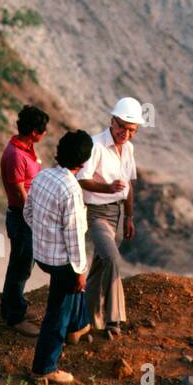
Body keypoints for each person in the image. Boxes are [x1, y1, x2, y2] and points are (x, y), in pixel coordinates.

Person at [24, 130, 94, 385]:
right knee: (56, 312)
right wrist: (80, 271)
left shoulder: (43, 176)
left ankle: (77, 326)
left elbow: (28, 211)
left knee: (69, 294)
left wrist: (44, 236)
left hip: (42, 254)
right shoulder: (71, 190)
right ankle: (44, 368)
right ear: (84, 162)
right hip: (61, 261)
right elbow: (75, 237)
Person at [77, 96, 142, 338]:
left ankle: (89, 318)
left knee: (100, 265)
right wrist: (107, 189)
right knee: (113, 258)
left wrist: (129, 216)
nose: (126, 133)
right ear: (112, 121)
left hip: (116, 213)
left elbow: (129, 184)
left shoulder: (129, 149)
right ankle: (114, 320)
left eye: (131, 130)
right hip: (96, 213)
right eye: (122, 127)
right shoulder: (95, 146)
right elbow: (81, 179)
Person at [0, 105, 49, 336]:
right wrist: (36, 216)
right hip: (22, 217)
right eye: (42, 130)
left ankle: (10, 307)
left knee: (20, 264)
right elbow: (20, 192)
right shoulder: (15, 155)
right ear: (33, 133)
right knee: (21, 266)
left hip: (26, 215)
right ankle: (15, 317)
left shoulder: (26, 149)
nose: (45, 134)